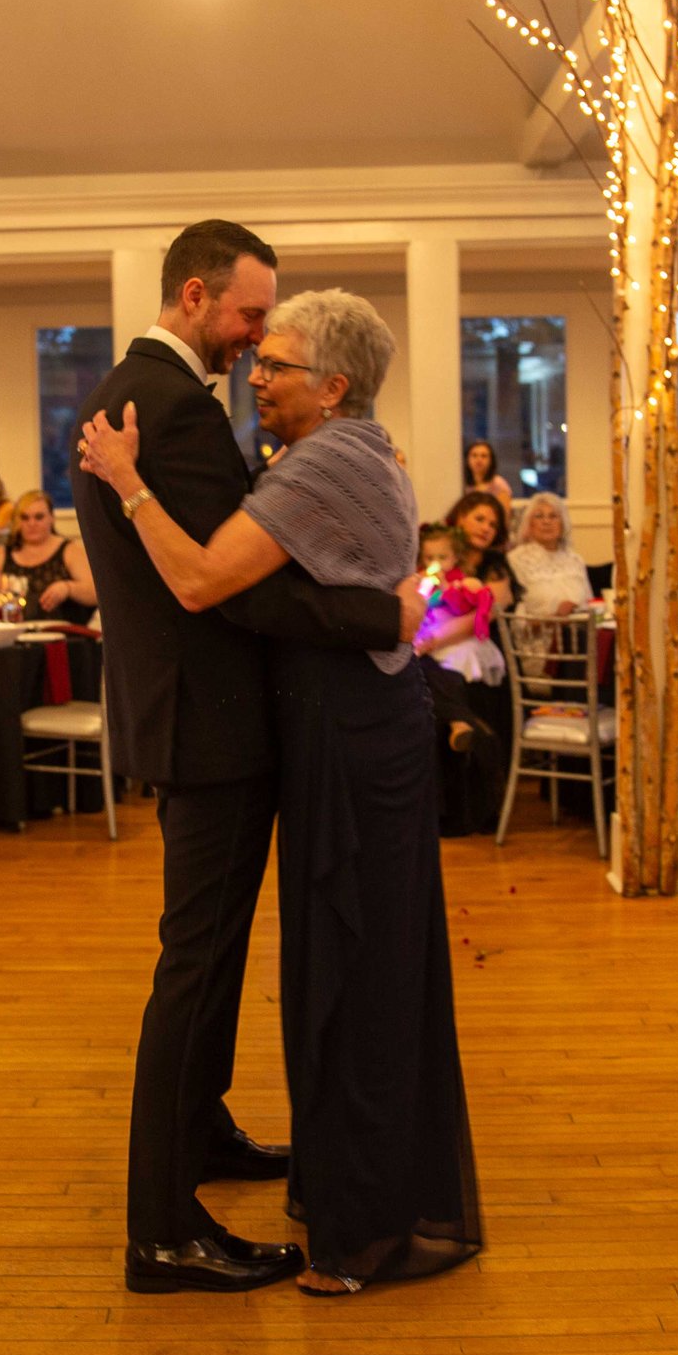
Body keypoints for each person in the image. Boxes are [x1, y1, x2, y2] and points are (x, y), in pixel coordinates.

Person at [80, 281, 477, 1298]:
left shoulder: (332, 455)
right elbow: (326, 592)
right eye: (259, 354)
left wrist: (127, 485)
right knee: (340, 963)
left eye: (280, 361)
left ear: (333, 384)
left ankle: (366, 1228)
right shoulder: (335, 452)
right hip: (343, 724)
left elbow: (209, 581)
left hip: (352, 734)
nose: (258, 370)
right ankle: (348, 1194)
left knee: (354, 966)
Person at [415, 525, 508, 837]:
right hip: (430, 646)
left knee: (441, 678)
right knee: (430, 676)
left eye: (443, 556)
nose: (436, 562)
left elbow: (471, 606)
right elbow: (418, 608)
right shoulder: (420, 581)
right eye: (430, 557)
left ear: (455, 557)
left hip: (456, 646)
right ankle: (462, 722)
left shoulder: (463, 582)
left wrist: (449, 590)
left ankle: (461, 721)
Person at [0, 490, 98, 622]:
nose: (32, 524)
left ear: (52, 518)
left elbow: (95, 593)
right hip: (12, 636)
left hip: (64, 636)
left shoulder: (69, 551)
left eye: (39, 517)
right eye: (25, 518)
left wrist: (68, 588)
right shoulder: (1, 553)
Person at [506, 491, 593, 614]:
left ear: (562, 524)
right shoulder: (515, 560)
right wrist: (556, 617)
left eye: (553, 516)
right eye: (539, 516)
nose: (546, 521)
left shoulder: (575, 560)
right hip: (537, 631)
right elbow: (516, 618)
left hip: (580, 630)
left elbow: (591, 605)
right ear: (529, 524)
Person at [442, 491, 517, 615]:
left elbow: (480, 618)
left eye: (493, 525)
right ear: (460, 518)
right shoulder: (442, 555)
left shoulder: (496, 566)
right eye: (479, 519)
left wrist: (436, 635)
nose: (486, 529)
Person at [462, 438, 512, 513]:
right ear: (467, 459)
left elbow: (504, 516)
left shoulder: (499, 484)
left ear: (491, 461)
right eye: (474, 455)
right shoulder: (462, 483)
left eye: (484, 456)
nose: (479, 459)